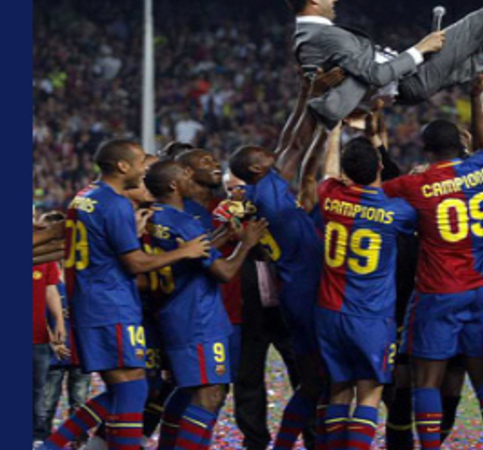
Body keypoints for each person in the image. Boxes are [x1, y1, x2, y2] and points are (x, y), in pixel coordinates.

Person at [43, 139, 210, 450]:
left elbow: (94, 246)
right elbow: (135, 263)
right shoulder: (115, 204)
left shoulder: (83, 197)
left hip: (93, 301)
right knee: (133, 389)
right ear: (123, 166)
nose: (145, 172)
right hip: (111, 304)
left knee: (126, 390)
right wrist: (184, 251)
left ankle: (55, 446)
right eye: (141, 163)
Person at [380, 108, 483, 449]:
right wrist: (478, 100)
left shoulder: (415, 184)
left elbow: (373, 192)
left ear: (426, 150)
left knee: (427, 379)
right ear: (460, 146)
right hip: (481, 287)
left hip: (440, 289)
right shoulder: (481, 169)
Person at [289, 0, 483, 127]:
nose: (334, 0)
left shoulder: (309, 39)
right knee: (481, 22)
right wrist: (421, 48)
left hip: (410, 81)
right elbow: (375, 74)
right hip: (411, 75)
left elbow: (336, 88)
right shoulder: (318, 36)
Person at [143, 160, 267, 450]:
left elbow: (196, 252)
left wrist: (223, 234)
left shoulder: (153, 218)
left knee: (188, 390)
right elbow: (223, 272)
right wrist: (246, 244)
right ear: (173, 185)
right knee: (210, 394)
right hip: (197, 316)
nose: (192, 181)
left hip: (173, 311)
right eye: (186, 176)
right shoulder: (184, 222)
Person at [315, 126, 417, 450]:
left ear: (345, 174)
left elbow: (327, 172)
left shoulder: (330, 196)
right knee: (370, 393)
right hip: (371, 316)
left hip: (329, 311)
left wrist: (333, 131)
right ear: (379, 167)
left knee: (339, 390)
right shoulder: (396, 212)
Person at [228, 144, 325, 450]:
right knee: (251, 378)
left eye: (238, 189)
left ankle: (310, 438)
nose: (236, 194)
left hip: (284, 299)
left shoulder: (268, 203)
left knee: (307, 378)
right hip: (257, 304)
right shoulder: (256, 204)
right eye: (230, 191)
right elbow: (295, 150)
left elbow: (298, 157)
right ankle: (256, 441)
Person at [39, 212, 93, 447]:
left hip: (81, 348)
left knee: (79, 401)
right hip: (52, 349)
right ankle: (41, 440)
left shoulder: (82, 267)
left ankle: (78, 442)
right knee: (46, 402)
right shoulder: (40, 266)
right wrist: (52, 340)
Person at [33, 233, 67, 446]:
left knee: (38, 391)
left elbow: (51, 290)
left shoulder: (46, 259)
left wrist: (59, 321)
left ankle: (37, 436)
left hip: (38, 337)